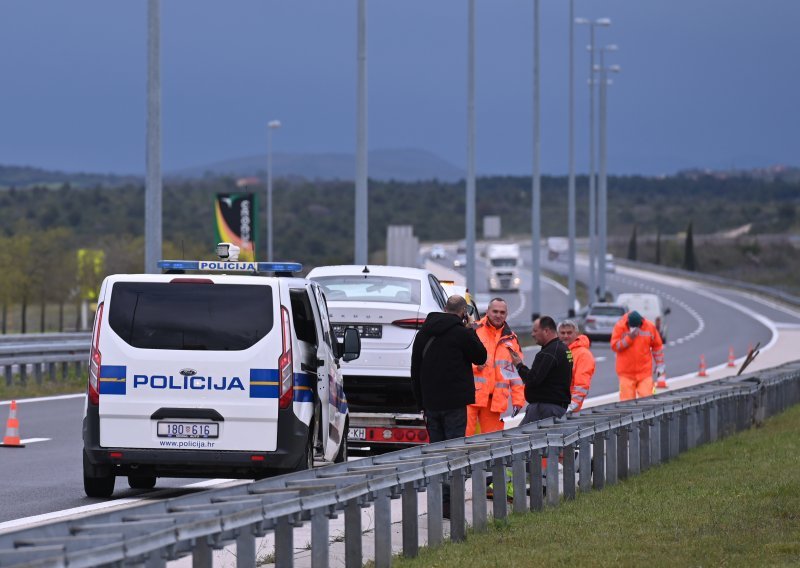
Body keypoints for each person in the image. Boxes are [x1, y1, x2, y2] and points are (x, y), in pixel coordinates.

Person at [410, 294, 487, 518]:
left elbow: (415, 370)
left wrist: (421, 403)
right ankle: (451, 505)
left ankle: (439, 503)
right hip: (454, 404)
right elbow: (481, 356)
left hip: (431, 404)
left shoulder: (424, 333)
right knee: (453, 454)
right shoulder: (462, 333)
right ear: (464, 312)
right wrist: (472, 329)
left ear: (444, 309)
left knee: (437, 454)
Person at [466, 298, 526, 436]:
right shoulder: (474, 330)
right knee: (463, 441)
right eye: (495, 311)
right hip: (471, 397)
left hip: (494, 402)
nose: (498, 315)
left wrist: (518, 400)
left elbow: (517, 374)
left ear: (506, 314)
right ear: (487, 311)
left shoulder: (512, 339)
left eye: (502, 312)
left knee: (492, 445)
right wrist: (475, 366)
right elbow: (459, 360)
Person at [510, 316, 573, 425]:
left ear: (546, 331)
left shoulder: (548, 352)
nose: (532, 334)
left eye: (535, 331)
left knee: (519, 439)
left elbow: (532, 380)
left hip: (544, 410)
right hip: (557, 408)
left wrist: (519, 365)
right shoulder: (564, 349)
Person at [610, 310, 665, 401]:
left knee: (647, 400)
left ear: (641, 323)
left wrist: (660, 365)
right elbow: (615, 346)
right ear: (628, 323)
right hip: (626, 373)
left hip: (644, 372)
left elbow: (657, 347)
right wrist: (629, 338)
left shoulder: (649, 327)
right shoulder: (620, 327)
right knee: (627, 404)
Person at [557, 319, 596, 413]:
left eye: (569, 333)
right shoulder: (557, 350)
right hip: (553, 404)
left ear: (576, 333)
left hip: (566, 407)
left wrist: (572, 405)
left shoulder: (583, 354)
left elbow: (581, 384)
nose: (566, 336)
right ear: (558, 334)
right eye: (562, 333)